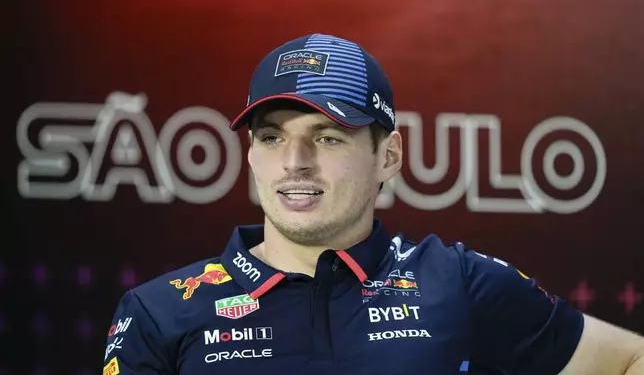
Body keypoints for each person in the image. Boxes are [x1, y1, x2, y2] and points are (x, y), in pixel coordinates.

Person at [103, 33, 644, 375]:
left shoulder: (452, 280)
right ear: (250, 155)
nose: (295, 161)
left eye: (328, 136)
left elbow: (628, 361)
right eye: (270, 137)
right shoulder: (161, 310)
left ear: (388, 155)